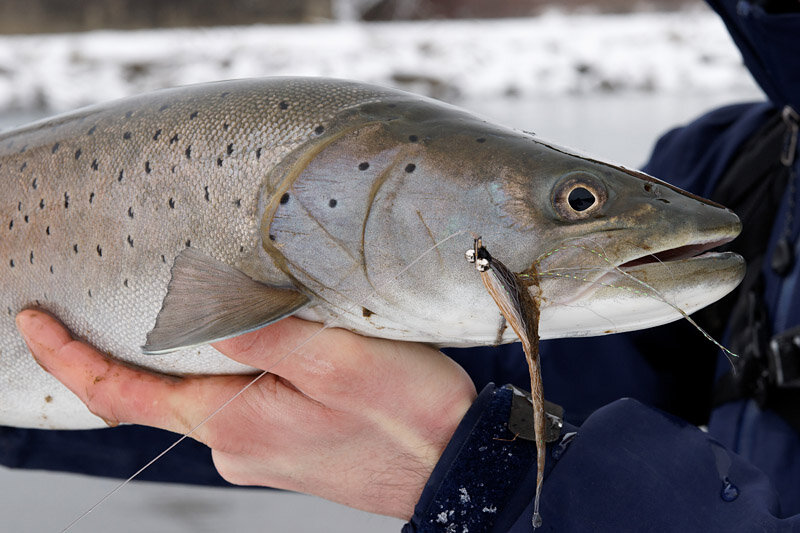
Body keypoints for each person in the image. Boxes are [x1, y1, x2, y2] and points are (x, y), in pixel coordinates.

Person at [5, 0, 800, 530]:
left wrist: (487, 473)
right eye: (580, 202)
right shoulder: (753, 165)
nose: (584, 215)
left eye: (576, 202)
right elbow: (447, 380)